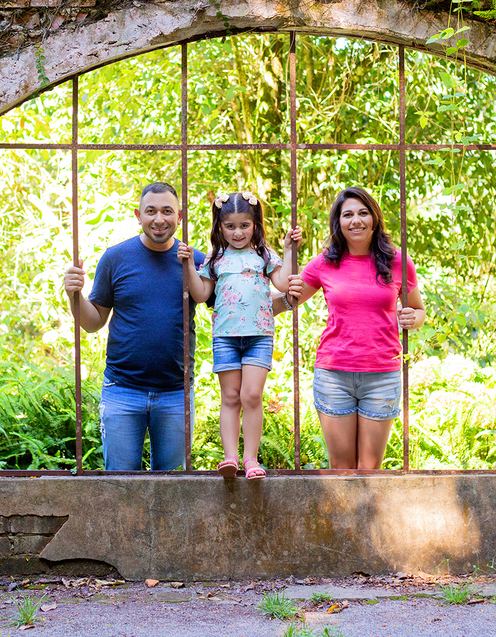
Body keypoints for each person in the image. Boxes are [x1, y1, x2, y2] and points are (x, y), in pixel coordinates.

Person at [62, 182, 302, 471]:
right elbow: (93, 322)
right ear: (138, 215)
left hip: (176, 393)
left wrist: (288, 301)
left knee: (171, 487)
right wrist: (75, 295)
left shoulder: (199, 261)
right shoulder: (115, 259)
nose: (159, 219)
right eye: (151, 211)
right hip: (122, 391)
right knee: (120, 485)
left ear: (180, 216)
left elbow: (239, 306)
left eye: (167, 211)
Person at [288, 187, 426, 469]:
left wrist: (415, 318)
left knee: (369, 471)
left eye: (363, 213)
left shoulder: (398, 261)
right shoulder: (325, 262)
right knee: (341, 470)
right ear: (338, 222)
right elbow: (289, 299)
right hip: (334, 375)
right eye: (347, 214)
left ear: (374, 218)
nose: (356, 220)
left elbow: (418, 309)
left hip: (382, 375)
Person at [178, 192, 301, 480]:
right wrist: (187, 264)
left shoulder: (263, 254)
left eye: (245, 225)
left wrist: (288, 249)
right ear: (220, 227)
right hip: (225, 337)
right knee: (231, 397)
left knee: (252, 395)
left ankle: (251, 459)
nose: (238, 232)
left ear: (256, 225)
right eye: (230, 226)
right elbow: (201, 294)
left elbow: (283, 283)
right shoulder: (215, 258)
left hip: (259, 335)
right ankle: (231, 457)